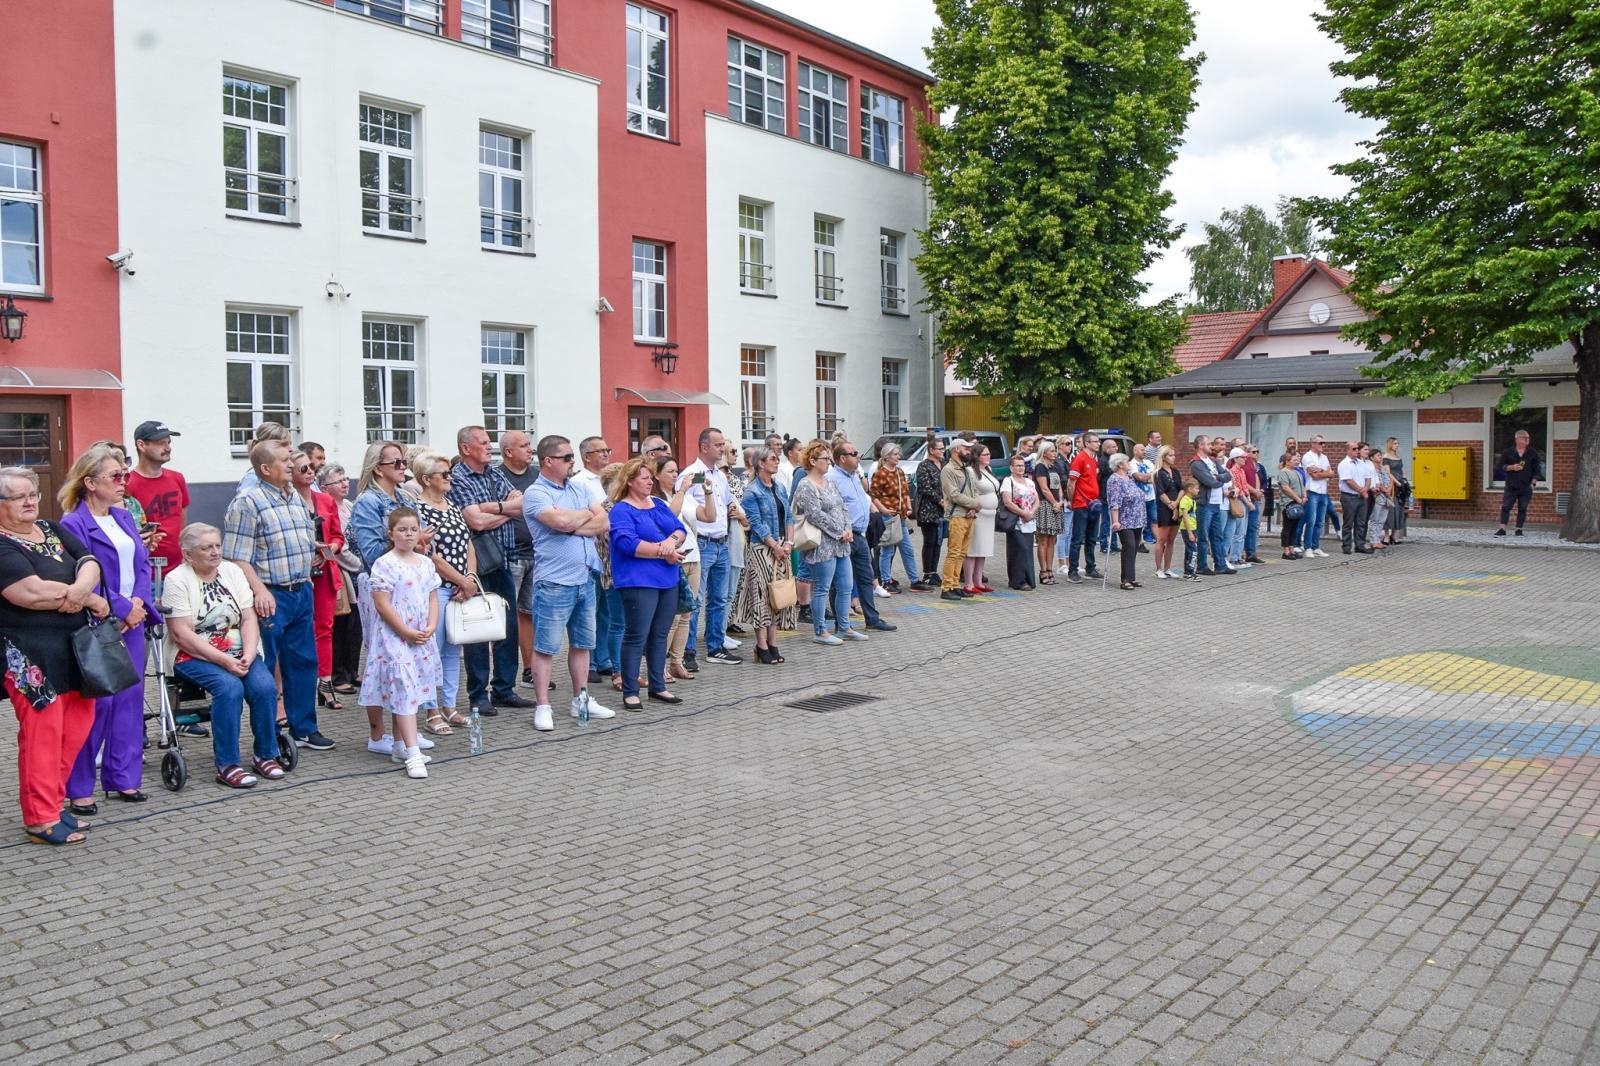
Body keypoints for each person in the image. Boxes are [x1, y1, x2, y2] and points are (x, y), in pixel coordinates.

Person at [0, 466, 110, 844]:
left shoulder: (50, 528)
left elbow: (90, 561)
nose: (30, 501)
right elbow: (27, 593)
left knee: (75, 729)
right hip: (31, 657)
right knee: (42, 737)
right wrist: (86, 596)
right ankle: (39, 819)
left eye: (33, 494)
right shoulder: (1, 543)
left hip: (76, 649)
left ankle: (54, 805)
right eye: (19, 497)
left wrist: (80, 590)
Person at [58, 443, 160, 809]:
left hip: (133, 622)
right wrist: (119, 607)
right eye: (115, 476)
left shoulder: (124, 517)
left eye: (125, 474)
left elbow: (143, 564)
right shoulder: (73, 523)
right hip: (98, 623)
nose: (123, 482)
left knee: (129, 701)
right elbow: (85, 575)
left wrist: (140, 605)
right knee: (98, 705)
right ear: (89, 482)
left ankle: (124, 779)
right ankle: (80, 788)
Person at [223, 439, 331, 751]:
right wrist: (258, 591)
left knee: (304, 662)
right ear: (266, 468)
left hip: (301, 590)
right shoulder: (247, 502)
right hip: (270, 595)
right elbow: (237, 556)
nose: (293, 464)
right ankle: (267, 735)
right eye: (285, 460)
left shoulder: (295, 497)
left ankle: (304, 728)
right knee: (265, 667)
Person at [163, 523, 282, 789]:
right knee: (229, 688)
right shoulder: (176, 579)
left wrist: (250, 655)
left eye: (217, 545)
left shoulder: (232, 571)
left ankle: (266, 754)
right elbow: (181, 633)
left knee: (263, 687)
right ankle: (227, 764)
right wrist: (224, 660)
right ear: (188, 554)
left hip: (240, 651)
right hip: (194, 654)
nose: (216, 552)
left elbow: (249, 617)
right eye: (207, 548)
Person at [347, 442, 435, 759]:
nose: (402, 467)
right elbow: (371, 553)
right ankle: (377, 734)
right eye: (396, 462)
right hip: (382, 585)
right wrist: (413, 543)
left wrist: (416, 545)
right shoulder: (368, 502)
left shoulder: (404, 497)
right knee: (383, 661)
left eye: (403, 462)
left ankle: (403, 734)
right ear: (377, 468)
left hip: (410, 585)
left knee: (409, 661)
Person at [525, 434, 614, 731]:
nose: (571, 462)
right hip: (554, 581)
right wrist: (580, 518)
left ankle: (581, 699)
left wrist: (573, 523)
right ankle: (542, 705)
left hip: (585, 577)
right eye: (566, 458)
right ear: (548, 461)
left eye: (572, 458)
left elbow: (604, 521)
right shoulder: (536, 493)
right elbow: (558, 523)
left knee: (582, 644)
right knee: (546, 647)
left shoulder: (578, 487)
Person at [449, 425, 531, 715]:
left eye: (489, 442)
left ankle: (504, 689)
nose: (489, 446)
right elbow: (475, 523)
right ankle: (477, 694)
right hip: (477, 564)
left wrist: (492, 509)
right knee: (478, 629)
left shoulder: (495, 473)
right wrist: (504, 509)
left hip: (504, 560)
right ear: (465, 448)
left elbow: (522, 506)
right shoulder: (458, 477)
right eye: (483, 442)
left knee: (507, 628)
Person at [361, 508, 440, 780]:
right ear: (391, 533)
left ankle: (399, 745)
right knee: (403, 687)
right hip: (394, 636)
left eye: (413, 529)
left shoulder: (425, 563)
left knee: (412, 686)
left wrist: (430, 624)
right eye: (402, 530)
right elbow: (382, 604)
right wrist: (404, 630)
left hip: (419, 635)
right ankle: (414, 753)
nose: (408, 535)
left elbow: (432, 597)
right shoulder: (385, 564)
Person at [608, 458, 685, 709]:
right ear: (629, 481)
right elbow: (628, 544)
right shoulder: (621, 510)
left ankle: (658, 686)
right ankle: (630, 690)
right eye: (644, 477)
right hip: (638, 580)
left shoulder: (658, 504)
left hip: (667, 578)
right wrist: (664, 551)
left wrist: (672, 541)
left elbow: (679, 528)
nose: (650, 481)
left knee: (660, 635)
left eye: (651, 477)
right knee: (636, 635)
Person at [412, 451, 476, 734]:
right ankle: (431, 710)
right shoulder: (420, 510)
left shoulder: (451, 505)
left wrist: (470, 578)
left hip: (461, 587)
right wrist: (462, 581)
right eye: (445, 474)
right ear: (426, 479)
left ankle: (449, 705)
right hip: (437, 590)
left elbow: (468, 544)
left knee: (453, 651)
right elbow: (431, 556)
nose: (451, 478)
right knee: (431, 652)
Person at [676, 428, 745, 667]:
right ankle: (688, 651)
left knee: (719, 598)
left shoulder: (719, 476)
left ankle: (715, 647)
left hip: (721, 542)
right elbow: (683, 506)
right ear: (704, 447)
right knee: (696, 599)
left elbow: (728, 503)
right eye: (717, 445)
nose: (722, 449)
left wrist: (736, 512)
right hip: (703, 542)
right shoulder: (692, 474)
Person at [287, 450, 346, 712]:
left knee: (324, 629)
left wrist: (328, 549)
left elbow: (338, 536)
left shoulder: (325, 501)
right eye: (304, 469)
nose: (311, 471)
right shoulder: (286, 501)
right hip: (295, 574)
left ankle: (325, 684)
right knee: (298, 633)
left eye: (312, 467)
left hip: (324, 571)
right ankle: (299, 688)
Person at [792, 441, 863, 645]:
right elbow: (815, 515)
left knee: (846, 586)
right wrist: (838, 531)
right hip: (822, 545)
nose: (829, 463)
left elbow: (843, 507)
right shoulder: (806, 485)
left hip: (841, 543)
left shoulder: (829, 483)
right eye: (825, 459)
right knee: (822, 587)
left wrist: (848, 528)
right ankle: (820, 630)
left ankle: (844, 627)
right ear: (813, 461)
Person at [736, 445, 796, 662]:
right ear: (761, 463)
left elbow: (789, 516)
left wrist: (788, 542)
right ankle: (761, 645)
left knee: (777, 596)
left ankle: (773, 642)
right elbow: (756, 524)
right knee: (761, 595)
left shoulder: (779, 487)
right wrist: (775, 546)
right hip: (762, 548)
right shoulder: (752, 491)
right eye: (772, 458)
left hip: (782, 545)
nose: (776, 461)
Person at [828, 440, 896, 632]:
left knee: (866, 578)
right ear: (842, 458)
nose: (858, 456)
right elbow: (832, 508)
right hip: (844, 536)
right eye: (854, 453)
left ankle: (872, 620)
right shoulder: (833, 478)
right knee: (841, 582)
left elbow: (864, 498)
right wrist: (841, 530)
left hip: (860, 535)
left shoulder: (854, 475)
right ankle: (841, 623)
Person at [494, 430, 540, 686]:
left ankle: (531, 668)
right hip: (509, 555)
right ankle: (503, 676)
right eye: (523, 445)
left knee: (530, 613)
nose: (529, 449)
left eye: (529, 444)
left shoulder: (537, 475)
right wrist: (510, 507)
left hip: (538, 553)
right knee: (506, 617)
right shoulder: (497, 476)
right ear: (508, 452)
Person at [572, 436, 621, 680]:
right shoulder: (579, 482)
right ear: (586, 456)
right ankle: (588, 663)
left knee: (607, 611)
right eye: (599, 451)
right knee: (588, 610)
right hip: (592, 553)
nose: (605, 454)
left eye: (607, 449)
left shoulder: (614, 478)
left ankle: (604, 659)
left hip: (611, 557)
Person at [655, 457, 707, 681]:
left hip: (693, 556)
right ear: (656, 475)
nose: (675, 476)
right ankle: (660, 665)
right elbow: (669, 518)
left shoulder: (682, 497)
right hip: (674, 561)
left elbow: (709, 516)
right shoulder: (654, 499)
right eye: (669, 471)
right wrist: (683, 491)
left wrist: (709, 492)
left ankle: (677, 661)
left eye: (677, 471)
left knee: (687, 613)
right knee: (672, 617)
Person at [318, 463, 363, 696]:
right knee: (340, 625)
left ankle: (352, 670)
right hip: (344, 572)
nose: (346, 483)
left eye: (346, 478)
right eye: (339, 481)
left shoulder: (349, 506)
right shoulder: (324, 509)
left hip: (357, 573)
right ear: (325, 487)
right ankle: (338, 675)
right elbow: (338, 547)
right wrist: (360, 566)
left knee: (356, 626)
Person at [126, 420, 189, 578]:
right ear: (142, 445)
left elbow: (181, 515)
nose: (168, 448)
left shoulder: (177, 478)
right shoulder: (129, 484)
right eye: (161, 443)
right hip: (146, 571)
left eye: (169, 442)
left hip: (178, 569)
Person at [870, 442, 918, 592]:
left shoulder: (899, 472)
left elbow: (904, 492)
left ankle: (914, 580)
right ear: (886, 456)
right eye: (895, 454)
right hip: (889, 517)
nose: (898, 457)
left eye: (898, 454)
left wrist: (909, 507)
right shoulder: (881, 473)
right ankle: (886, 580)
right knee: (888, 550)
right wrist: (883, 510)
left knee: (907, 549)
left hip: (901, 516)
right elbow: (874, 495)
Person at [938, 439, 981, 600]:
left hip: (969, 515)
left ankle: (955, 585)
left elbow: (974, 489)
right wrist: (975, 504)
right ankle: (947, 586)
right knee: (954, 552)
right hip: (957, 516)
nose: (969, 451)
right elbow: (953, 494)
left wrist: (973, 507)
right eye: (966, 448)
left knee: (962, 553)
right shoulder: (948, 470)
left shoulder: (967, 470)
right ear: (957, 449)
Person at [1189, 436, 1235, 576]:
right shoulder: (1196, 463)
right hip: (1205, 503)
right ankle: (1202, 566)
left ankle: (1220, 564)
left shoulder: (1213, 461)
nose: (1211, 446)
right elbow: (1210, 482)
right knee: (1203, 536)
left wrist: (1218, 478)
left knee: (1217, 535)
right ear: (1200, 445)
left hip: (1217, 503)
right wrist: (1217, 479)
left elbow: (1227, 475)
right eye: (1208, 444)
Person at [961, 445, 1000, 594]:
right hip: (978, 514)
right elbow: (967, 491)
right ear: (977, 456)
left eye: (989, 454)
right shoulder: (970, 471)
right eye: (985, 454)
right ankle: (969, 582)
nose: (988, 457)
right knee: (973, 548)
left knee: (984, 548)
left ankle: (978, 580)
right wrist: (973, 507)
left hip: (990, 514)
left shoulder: (988, 470)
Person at [1066, 432, 1102, 582]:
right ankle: (1072, 570)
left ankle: (1090, 567)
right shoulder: (1080, 459)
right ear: (1087, 443)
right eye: (1095, 441)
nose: (1098, 444)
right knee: (1077, 538)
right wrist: (1072, 500)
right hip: (1081, 503)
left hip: (1093, 503)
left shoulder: (1094, 459)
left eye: (1098, 441)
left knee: (1092, 538)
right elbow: (1071, 483)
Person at [1106, 454, 1146, 590]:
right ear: (1120, 465)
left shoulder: (1128, 477)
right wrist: (1115, 521)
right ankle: (1125, 580)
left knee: (1134, 547)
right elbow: (1115, 501)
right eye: (1126, 461)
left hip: (1136, 519)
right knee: (1128, 546)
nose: (1129, 463)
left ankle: (1131, 577)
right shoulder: (1115, 480)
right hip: (1125, 519)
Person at [999, 455, 1038, 590]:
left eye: (1022, 465)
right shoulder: (1008, 481)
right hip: (1015, 520)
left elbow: (1036, 500)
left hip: (1029, 520)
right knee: (1018, 549)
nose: (1021, 468)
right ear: (1011, 467)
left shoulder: (1030, 482)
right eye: (1017, 465)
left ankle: (1028, 579)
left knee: (1027, 550)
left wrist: (1031, 513)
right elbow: (1007, 502)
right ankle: (1017, 580)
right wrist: (1023, 513)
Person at [912, 438, 946, 591]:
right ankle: (928, 572)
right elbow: (925, 487)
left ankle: (934, 571)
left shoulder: (944, 465)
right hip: (928, 509)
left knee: (938, 541)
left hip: (942, 509)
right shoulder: (924, 466)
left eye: (943, 448)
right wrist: (939, 499)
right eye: (940, 448)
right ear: (932, 450)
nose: (942, 451)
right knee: (930, 540)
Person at [1495, 429, 1541, 536]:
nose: (1527, 440)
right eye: (1525, 438)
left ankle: (1519, 529)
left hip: (1526, 486)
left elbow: (1537, 469)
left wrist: (1533, 482)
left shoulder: (1532, 453)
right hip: (1511, 485)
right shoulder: (1508, 452)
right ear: (1518, 439)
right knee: (1506, 507)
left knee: (1522, 508)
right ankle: (1502, 529)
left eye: (1528, 438)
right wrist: (1511, 467)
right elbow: (1500, 467)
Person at [1031, 442, 1064, 584]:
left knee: (1052, 540)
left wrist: (1061, 501)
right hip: (1045, 505)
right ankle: (1043, 571)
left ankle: (1050, 569)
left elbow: (1059, 487)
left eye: (1055, 450)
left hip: (1056, 505)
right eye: (1051, 451)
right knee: (1043, 540)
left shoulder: (1054, 467)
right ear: (1044, 453)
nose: (1054, 453)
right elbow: (1044, 489)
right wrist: (1054, 503)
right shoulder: (1040, 467)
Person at [1337, 441, 1374, 554]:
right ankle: (1347, 545)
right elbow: (1348, 481)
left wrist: (1365, 489)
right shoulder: (1344, 464)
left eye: (1357, 448)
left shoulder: (1361, 463)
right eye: (1354, 449)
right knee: (1349, 522)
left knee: (1361, 522)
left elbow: (1368, 478)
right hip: (1349, 496)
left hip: (1361, 497)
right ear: (1347, 450)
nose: (1357, 451)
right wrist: (1361, 490)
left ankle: (1360, 545)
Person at [1300, 436, 1334, 557]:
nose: (1323, 445)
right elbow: (1314, 475)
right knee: (1311, 520)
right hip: (1312, 490)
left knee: (1320, 521)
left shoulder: (1324, 457)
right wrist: (1324, 472)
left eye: (1323, 443)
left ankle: (1316, 546)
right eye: (1320, 443)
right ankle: (1308, 546)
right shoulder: (1307, 456)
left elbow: (1332, 473)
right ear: (1313, 444)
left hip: (1323, 491)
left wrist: (1321, 471)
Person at [1224, 447, 1256, 570]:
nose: (1245, 459)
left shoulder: (1241, 471)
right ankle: (1234, 557)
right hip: (1239, 501)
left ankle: (1237, 556)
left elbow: (1245, 487)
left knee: (1242, 531)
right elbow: (1238, 488)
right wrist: (1247, 502)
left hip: (1245, 500)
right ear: (1235, 459)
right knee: (1238, 531)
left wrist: (1248, 498)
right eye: (1242, 457)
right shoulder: (1234, 471)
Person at [1277, 452, 1307, 560]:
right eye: (1294, 460)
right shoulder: (1283, 472)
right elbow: (1285, 488)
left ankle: (1292, 549)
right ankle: (1286, 551)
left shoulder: (1296, 472)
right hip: (1289, 503)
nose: (1297, 462)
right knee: (1287, 527)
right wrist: (1297, 498)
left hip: (1298, 502)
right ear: (1287, 461)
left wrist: (1304, 496)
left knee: (1295, 527)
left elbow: (1302, 485)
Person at [1130, 443, 1158, 546]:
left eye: (1144, 450)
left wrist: (1146, 478)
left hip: (1151, 496)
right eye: (1142, 450)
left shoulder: (1148, 462)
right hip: (1139, 497)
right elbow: (1139, 478)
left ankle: (1152, 537)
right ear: (1135, 451)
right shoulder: (1132, 464)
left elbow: (1157, 476)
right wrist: (1150, 476)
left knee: (1154, 518)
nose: (1144, 451)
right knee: (1141, 519)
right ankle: (1140, 540)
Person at [1177, 477, 1201, 579]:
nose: (1198, 490)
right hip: (1188, 529)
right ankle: (1190, 572)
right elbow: (1185, 517)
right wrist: (1189, 532)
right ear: (1190, 489)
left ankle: (1187, 571)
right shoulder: (1185, 500)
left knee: (1190, 549)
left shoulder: (1192, 500)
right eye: (1196, 488)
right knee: (1193, 550)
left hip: (1193, 527)